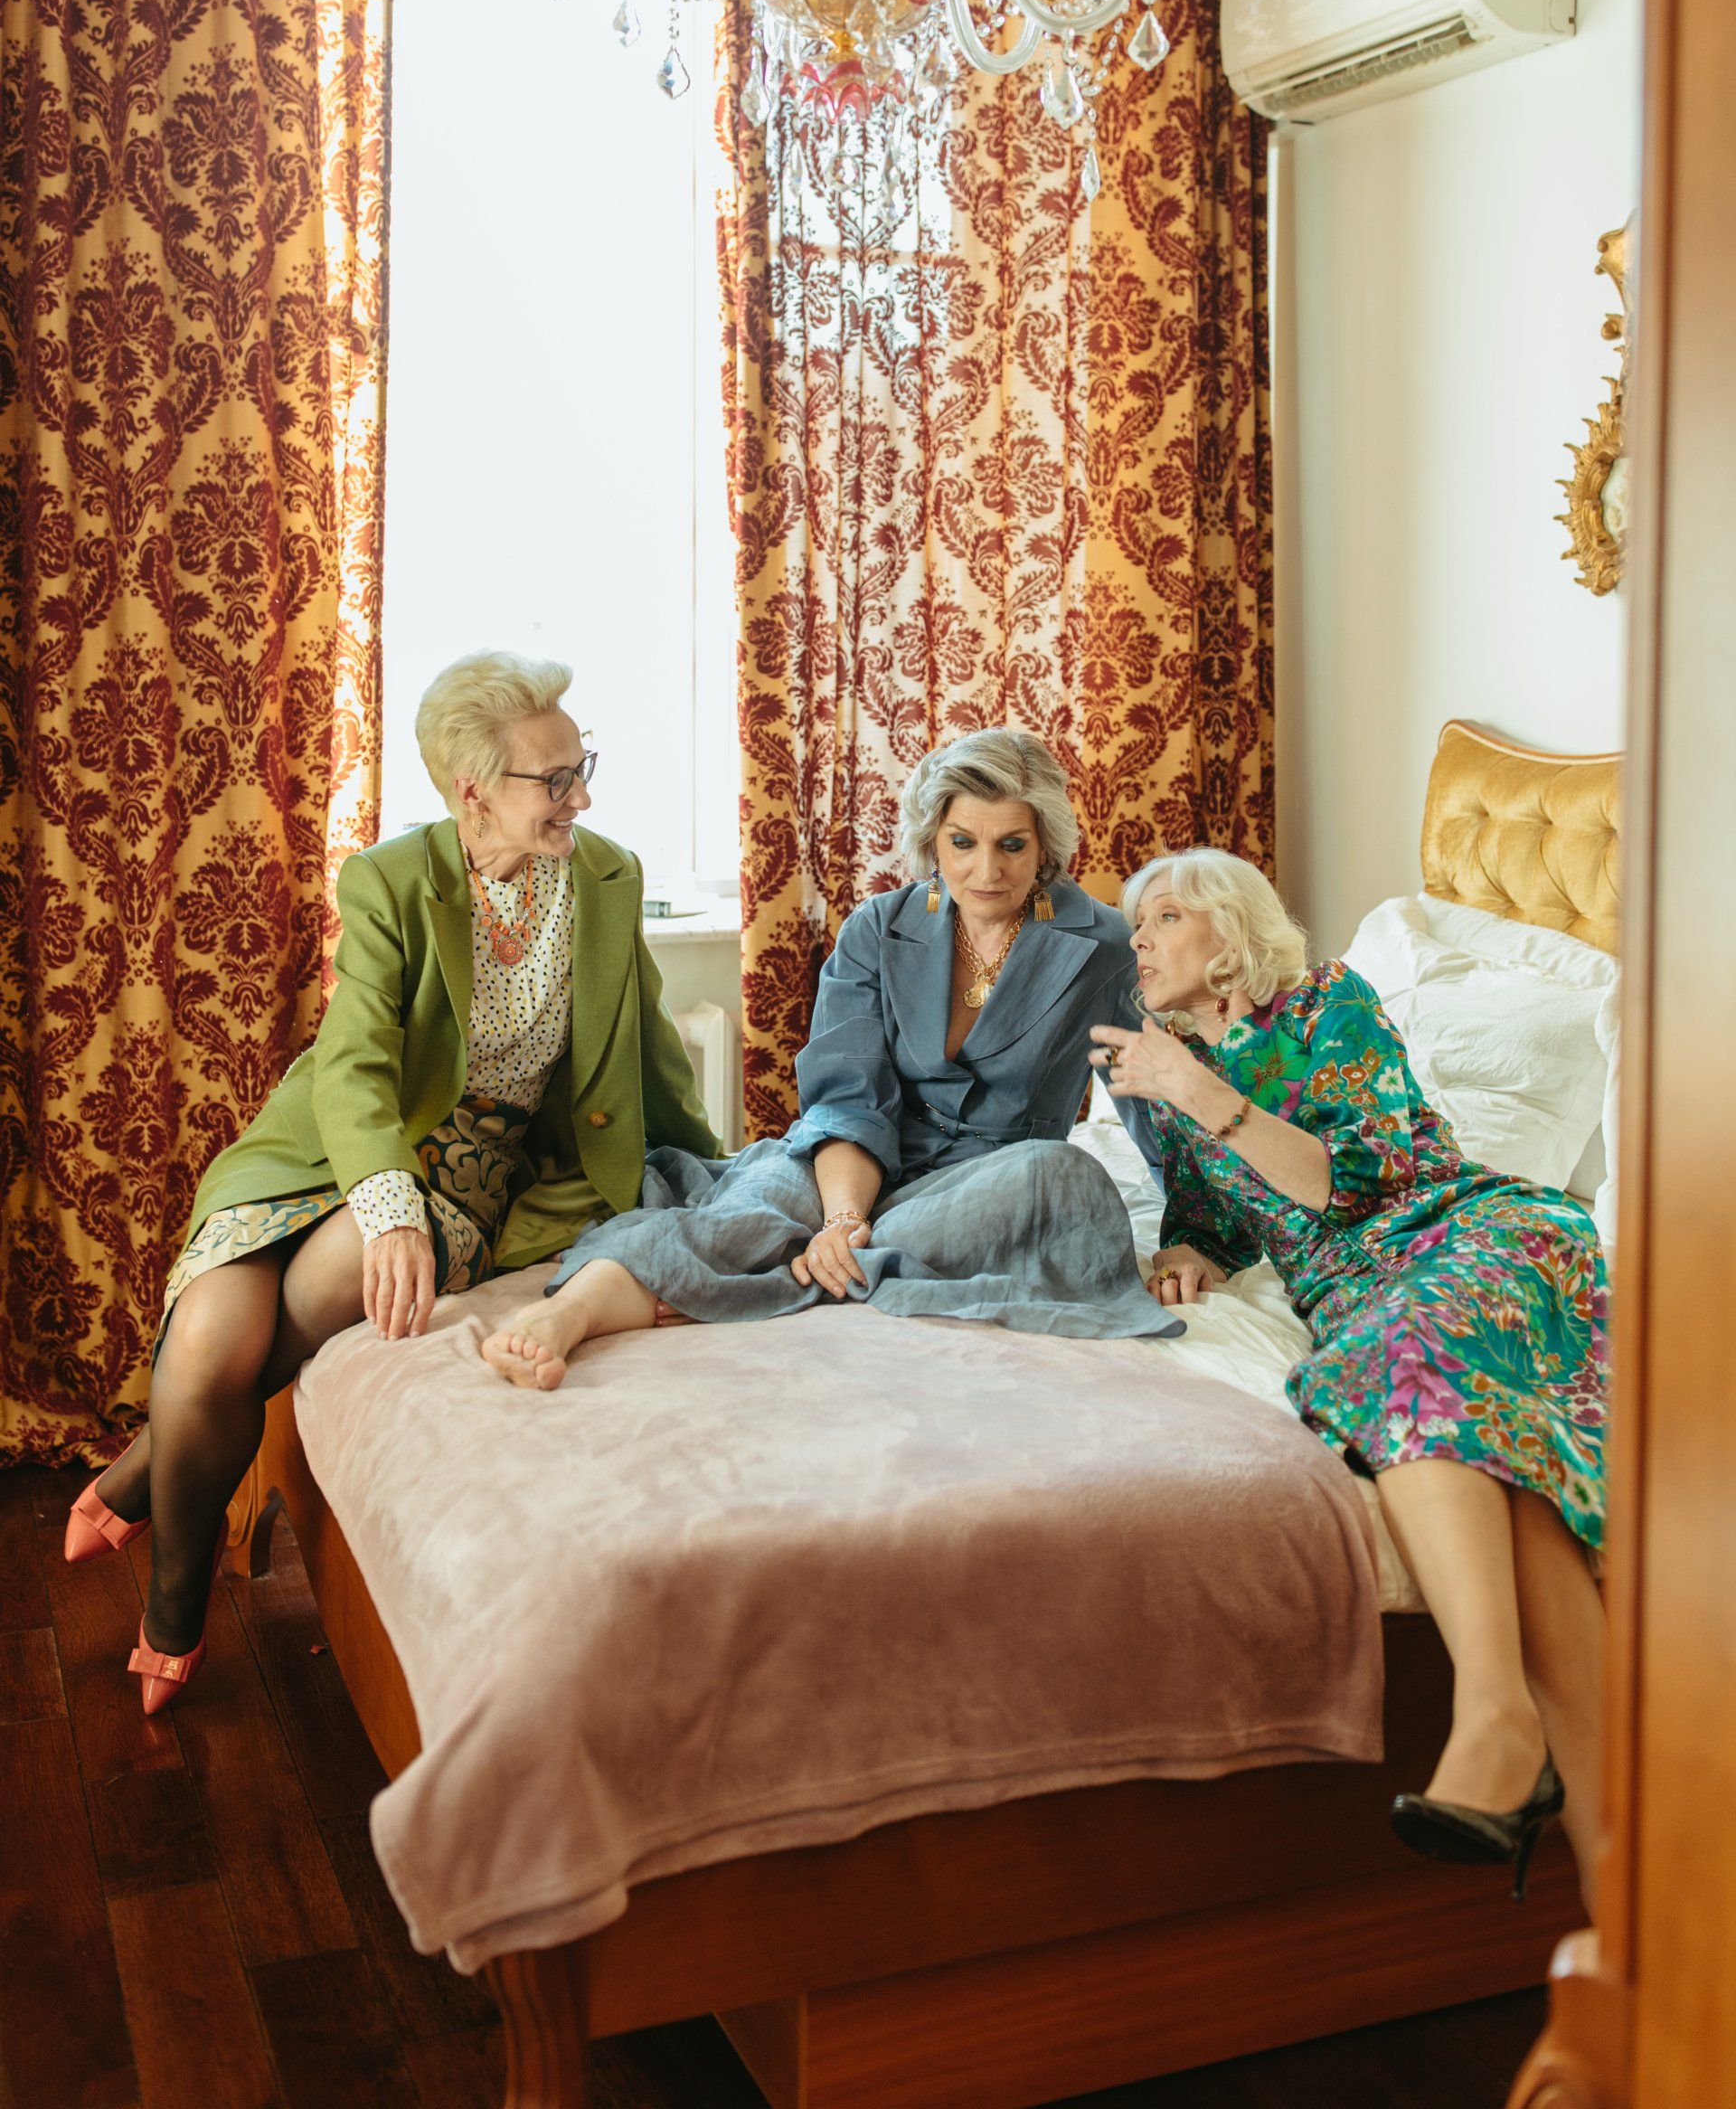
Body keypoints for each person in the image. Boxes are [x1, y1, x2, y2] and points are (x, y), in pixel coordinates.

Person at [63, 652, 718, 1712]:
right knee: (209, 1337)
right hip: (331, 1144)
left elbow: (646, 1045)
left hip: (481, 1169)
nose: (580, 796)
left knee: (319, 1293)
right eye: (553, 779)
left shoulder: (607, 878)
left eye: (580, 767)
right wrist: (387, 1206)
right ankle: (173, 1573)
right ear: (473, 792)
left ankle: (151, 1522)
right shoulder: (390, 879)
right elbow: (356, 1063)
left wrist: (715, 1175)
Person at [1091, 847, 1609, 1906]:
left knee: (1401, 1363)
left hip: (1469, 1233)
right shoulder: (1168, 1068)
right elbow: (1216, 1217)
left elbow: (1347, 1182)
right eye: (1134, 925)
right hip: (1354, 1291)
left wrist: (1199, 1090)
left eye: (1164, 918)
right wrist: (1193, 1250)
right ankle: (1629, 1892)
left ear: (1229, 928)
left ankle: (1495, 1714)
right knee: (1508, 1478)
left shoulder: (1330, 1003)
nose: (1136, 940)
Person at [479, 727, 1181, 1388]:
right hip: (852, 1160)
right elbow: (848, 1095)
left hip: (992, 1182)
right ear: (933, 839)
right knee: (764, 1203)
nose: (986, 870)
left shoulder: (1105, 944)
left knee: (1060, 1175)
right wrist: (843, 1218)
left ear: (1046, 847)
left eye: (1012, 846)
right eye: (963, 842)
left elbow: (1156, 1099)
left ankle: (761, 1278)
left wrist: (1196, 1235)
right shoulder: (878, 928)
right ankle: (574, 1310)